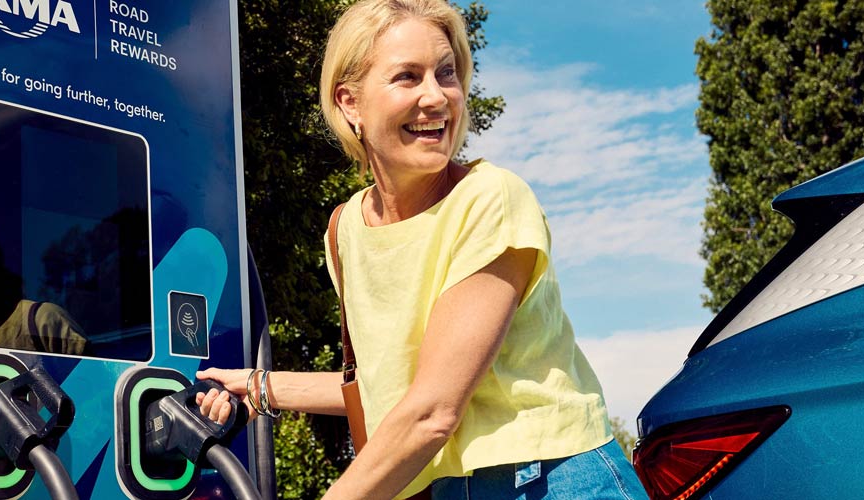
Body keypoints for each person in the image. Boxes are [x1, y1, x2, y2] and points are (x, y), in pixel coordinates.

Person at [194, 1, 646, 498]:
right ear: (349, 103)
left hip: (553, 480)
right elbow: (389, 387)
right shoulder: (345, 230)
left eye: (446, 74)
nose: (437, 97)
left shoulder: (490, 198)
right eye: (408, 77)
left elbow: (432, 411)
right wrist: (261, 388)